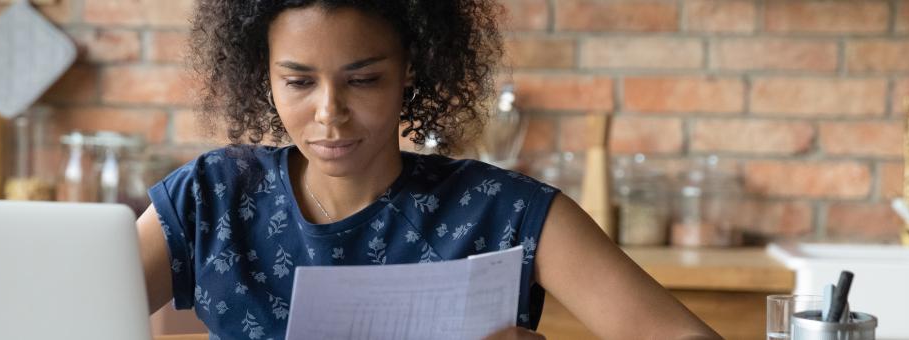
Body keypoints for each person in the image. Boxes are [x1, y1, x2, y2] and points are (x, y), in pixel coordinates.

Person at [135, 1, 722, 339]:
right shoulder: (209, 198)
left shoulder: (504, 209)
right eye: (298, 81)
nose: (329, 112)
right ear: (262, 74)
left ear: (411, 70)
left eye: (363, 79)